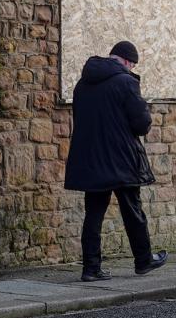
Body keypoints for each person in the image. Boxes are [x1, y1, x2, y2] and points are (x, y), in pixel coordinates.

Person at [64, 40, 168, 281]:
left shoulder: (83, 84)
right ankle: (143, 260)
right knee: (133, 210)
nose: (131, 69)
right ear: (127, 61)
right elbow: (141, 125)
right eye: (132, 65)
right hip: (121, 159)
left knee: (93, 214)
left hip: (92, 159)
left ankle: (91, 268)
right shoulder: (126, 82)